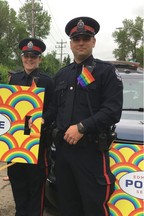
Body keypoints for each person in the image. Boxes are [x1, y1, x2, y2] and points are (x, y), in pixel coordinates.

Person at [53, 16, 123, 216]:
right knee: (67, 206)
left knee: (93, 206)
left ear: (93, 41)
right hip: (64, 153)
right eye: (77, 39)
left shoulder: (106, 72)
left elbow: (112, 111)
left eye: (86, 37)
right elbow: (52, 110)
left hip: (90, 153)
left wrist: (82, 127)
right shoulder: (62, 75)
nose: (81, 42)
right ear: (71, 44)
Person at [7, 38, 55, 216]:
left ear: (39, 59)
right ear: (21, 58)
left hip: (37, 142)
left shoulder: (47, 81)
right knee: (17, 181)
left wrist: (43, 119)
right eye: (26, 56)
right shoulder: (14, 79)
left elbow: (54, 108)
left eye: (33, 56)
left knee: (36, 185)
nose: (29, 59)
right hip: (15, 143)